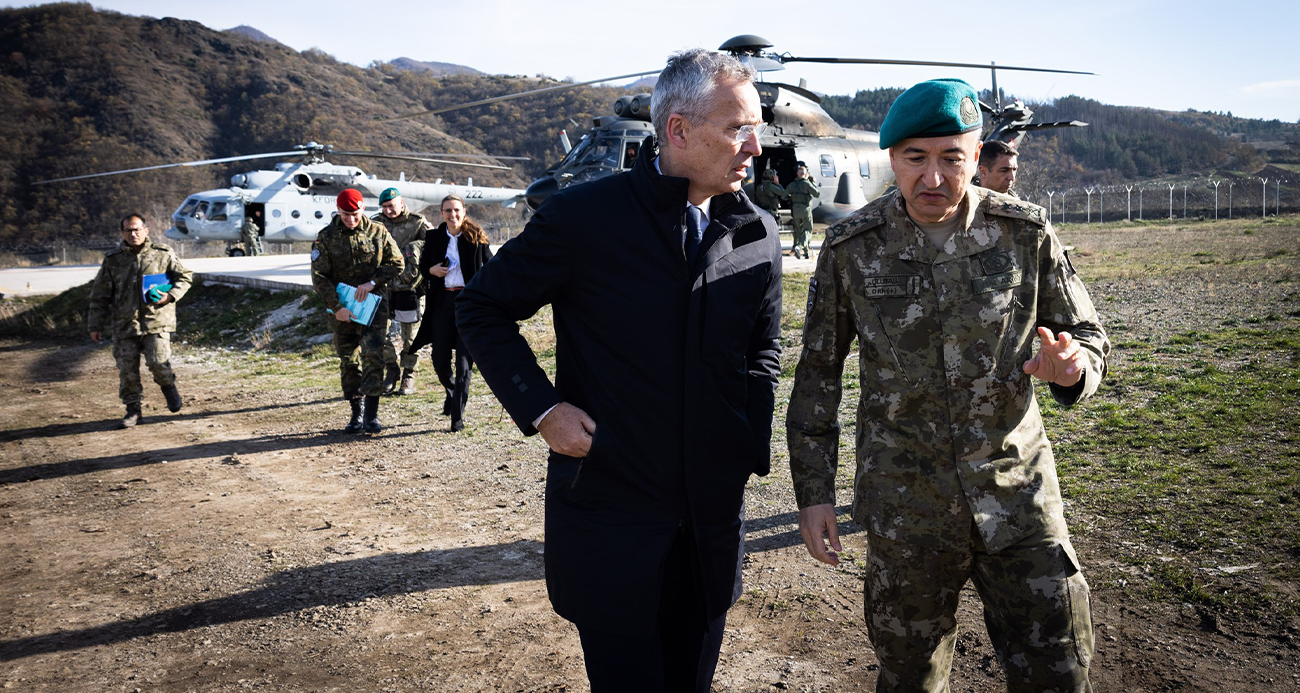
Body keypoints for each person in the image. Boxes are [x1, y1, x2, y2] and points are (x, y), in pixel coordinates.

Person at [456, 48, 783, 692]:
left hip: (711, 517)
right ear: (679, 130)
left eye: (758, 129)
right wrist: (542, 409)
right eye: (738, 128)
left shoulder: (756, 232)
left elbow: (761, 353)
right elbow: (482, 308)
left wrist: (746, 443)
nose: (755, 147)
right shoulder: (586, 219)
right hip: (612, 513)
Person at [787, 78, 1109, 693]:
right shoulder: (852, 248)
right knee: (909, 677)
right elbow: (816, 379)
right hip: (906, 512)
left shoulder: (1025, 232)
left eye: (952, 158)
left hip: (1018, 500)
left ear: (975, 154)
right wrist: (814, 493)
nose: (933, 178)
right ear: (892, 158)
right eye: (916, 158)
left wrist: (1075, 371)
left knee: (1059, 671)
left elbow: (1087, 334)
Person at [310, 189, 403, 434]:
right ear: (338, 211)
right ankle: (356, 413)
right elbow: (319, 277)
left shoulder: (378, 231)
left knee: (373, 357)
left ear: (362, 209)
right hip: (342, 311)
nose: (350, 219)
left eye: (354, 213)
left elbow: (397, 263)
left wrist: (372, 283)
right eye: (345, 214)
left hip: (373, 307)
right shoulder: (325, 238)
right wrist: (337, 307)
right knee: (349, 360)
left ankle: (371, 416)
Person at [88, 214, 193, 428]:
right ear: (122, 233)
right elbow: (100, 295)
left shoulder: (163, 254)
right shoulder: (113, 260)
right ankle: (133, 410)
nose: (133, 234)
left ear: (146, 230)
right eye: (128, 230)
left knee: (157, 362)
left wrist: (170, 296)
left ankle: (168, 388)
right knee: (127, 370)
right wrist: (95, 325)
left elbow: (185, 277)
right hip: (124, 324)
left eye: (136, 229)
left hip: (157, 321)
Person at [405, 194, 493, 432]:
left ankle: (457, 418)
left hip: (469, 305)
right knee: (439, 361)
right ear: (441, 213)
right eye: (447, 211)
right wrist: (431, 270)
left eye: (456, 210)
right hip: (442, 304)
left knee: (464, 364)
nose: (452, 215)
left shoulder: (476, 237)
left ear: (463, 212)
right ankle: (451, 390)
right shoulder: (433, 237)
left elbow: (492, 267)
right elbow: (423, 266)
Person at [372, 187, 434, 395]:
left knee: (410, 337)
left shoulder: (417, 222)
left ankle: (409, 374)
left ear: (401, 202)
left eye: (391, 206)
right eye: (384, 207)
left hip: (410, 288)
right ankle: (391, 370)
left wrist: (417, 249)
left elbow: (435, 245)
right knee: (381, 333)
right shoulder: (375, 223)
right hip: (384, 287)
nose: (388, 210)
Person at [786, 162, 820, 259]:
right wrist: (812, 182)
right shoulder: (807, 184)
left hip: (795, 210)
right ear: (805, 174)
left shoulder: (791, 185)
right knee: (807, 230)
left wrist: (792, 196)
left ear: (797, 173)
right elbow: (817, 193)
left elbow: (784, 196)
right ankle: (799, 246)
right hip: (805, 210)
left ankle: (806, 253)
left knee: (798, 230)